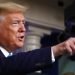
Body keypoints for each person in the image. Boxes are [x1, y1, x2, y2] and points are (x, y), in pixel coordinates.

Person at [0, 2, 75, 74]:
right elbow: (8, 64)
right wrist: (58, 49)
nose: (23, 29)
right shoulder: (8, 64)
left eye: (23, 23)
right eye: (15, 23)